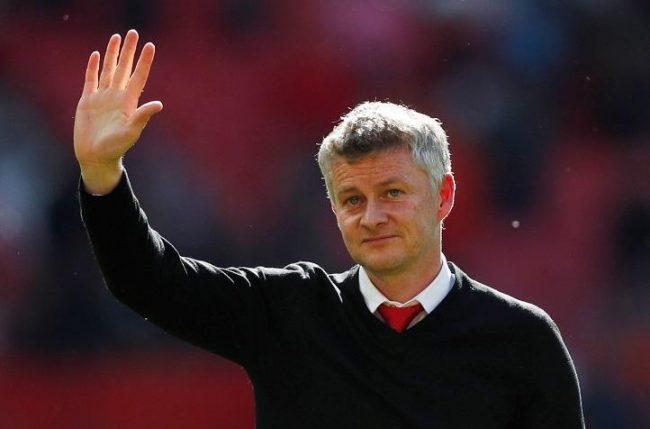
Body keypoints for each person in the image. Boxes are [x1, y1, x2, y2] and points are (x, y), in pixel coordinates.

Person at [75, 30, 585, 428]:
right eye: (352, 199)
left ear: (444, 196)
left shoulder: (523, 341)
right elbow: (145, 279)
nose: (372, 216)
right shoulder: (289, 312)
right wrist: (102, 173)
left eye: (393, 193)